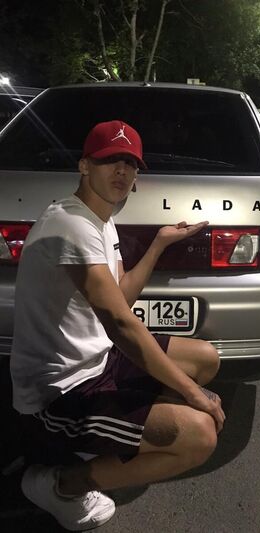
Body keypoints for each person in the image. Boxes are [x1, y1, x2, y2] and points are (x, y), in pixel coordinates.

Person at [10, 120, 225, 531]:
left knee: (205, 358)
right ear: (84, 166)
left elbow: (122, 296)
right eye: (110, 160)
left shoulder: (100, 220)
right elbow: (120, 323)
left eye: (130, 163)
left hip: (98, 360)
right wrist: (191, 393)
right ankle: (60, 484)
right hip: (59, 391)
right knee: (200, 435)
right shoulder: (70, 224)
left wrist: (159, 243)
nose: (122, 171)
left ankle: (113, 441)